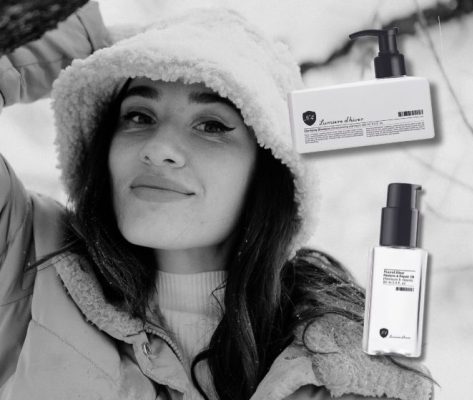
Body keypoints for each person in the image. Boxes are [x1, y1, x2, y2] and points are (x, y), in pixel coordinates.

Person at [0, 3, 434, 399]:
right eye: (138, 116)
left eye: (210, 125)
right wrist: (72, 33)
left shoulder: (347, 370)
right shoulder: (29, 260)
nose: (158, 149)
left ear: (267, 168)